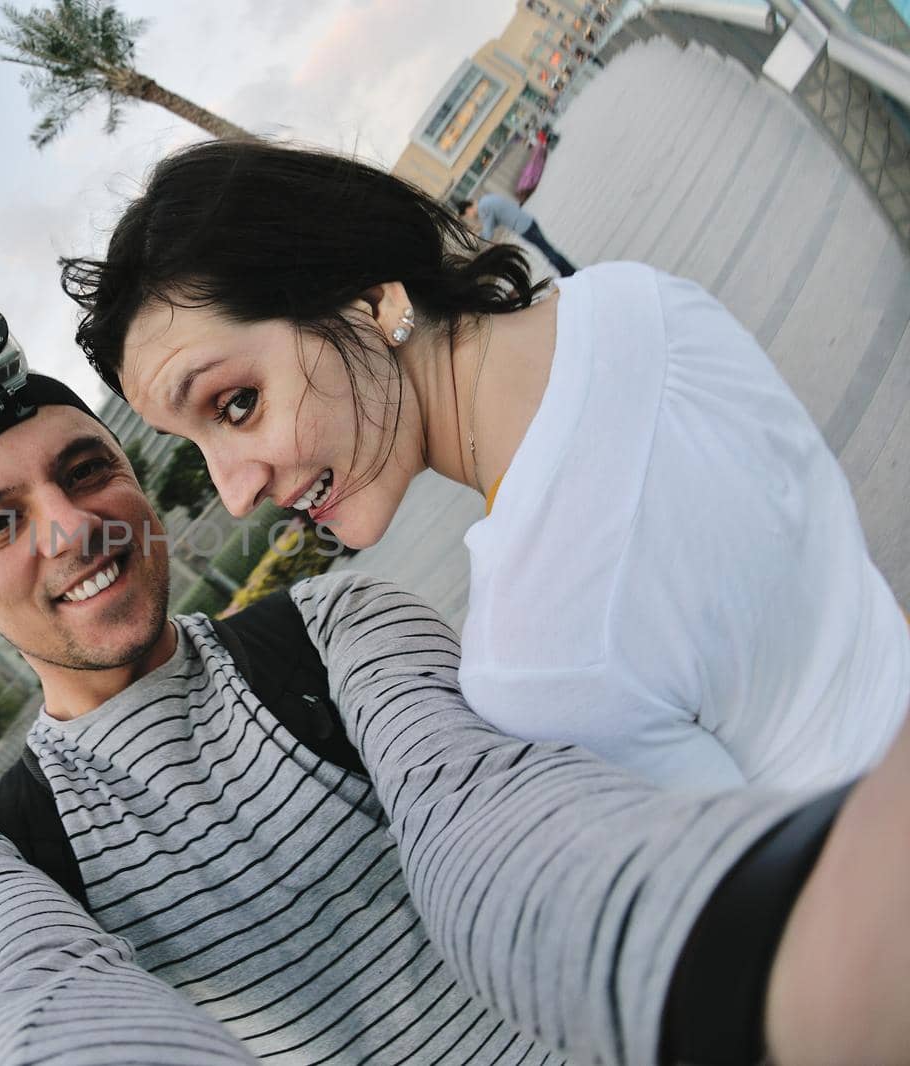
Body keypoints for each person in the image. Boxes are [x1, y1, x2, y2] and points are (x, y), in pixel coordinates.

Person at [0, 372, 910, 1065]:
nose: (74, 526)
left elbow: (474, 806)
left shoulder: (338, 624)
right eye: (1, 521)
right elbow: (37, 1000)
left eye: (85, 470)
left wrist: (779, 936)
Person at [60, 139, 910, 793]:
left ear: (373, 298)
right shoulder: (634, 300)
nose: (236, 494)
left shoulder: (538, 654)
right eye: (201, 447)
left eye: (236, 404)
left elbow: (781, 931)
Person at [459, 191, 577, 276]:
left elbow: (488, 233)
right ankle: (567, 271)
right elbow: (495, 221)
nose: (470, 217)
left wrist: (476, 239)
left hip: (524, 228)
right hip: (528, 221)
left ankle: (569, 273)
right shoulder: (486, 199)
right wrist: (480, 229)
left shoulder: (483, 208)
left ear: (468, 209)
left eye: (467, 216)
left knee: (548, 251)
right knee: (547, 249)